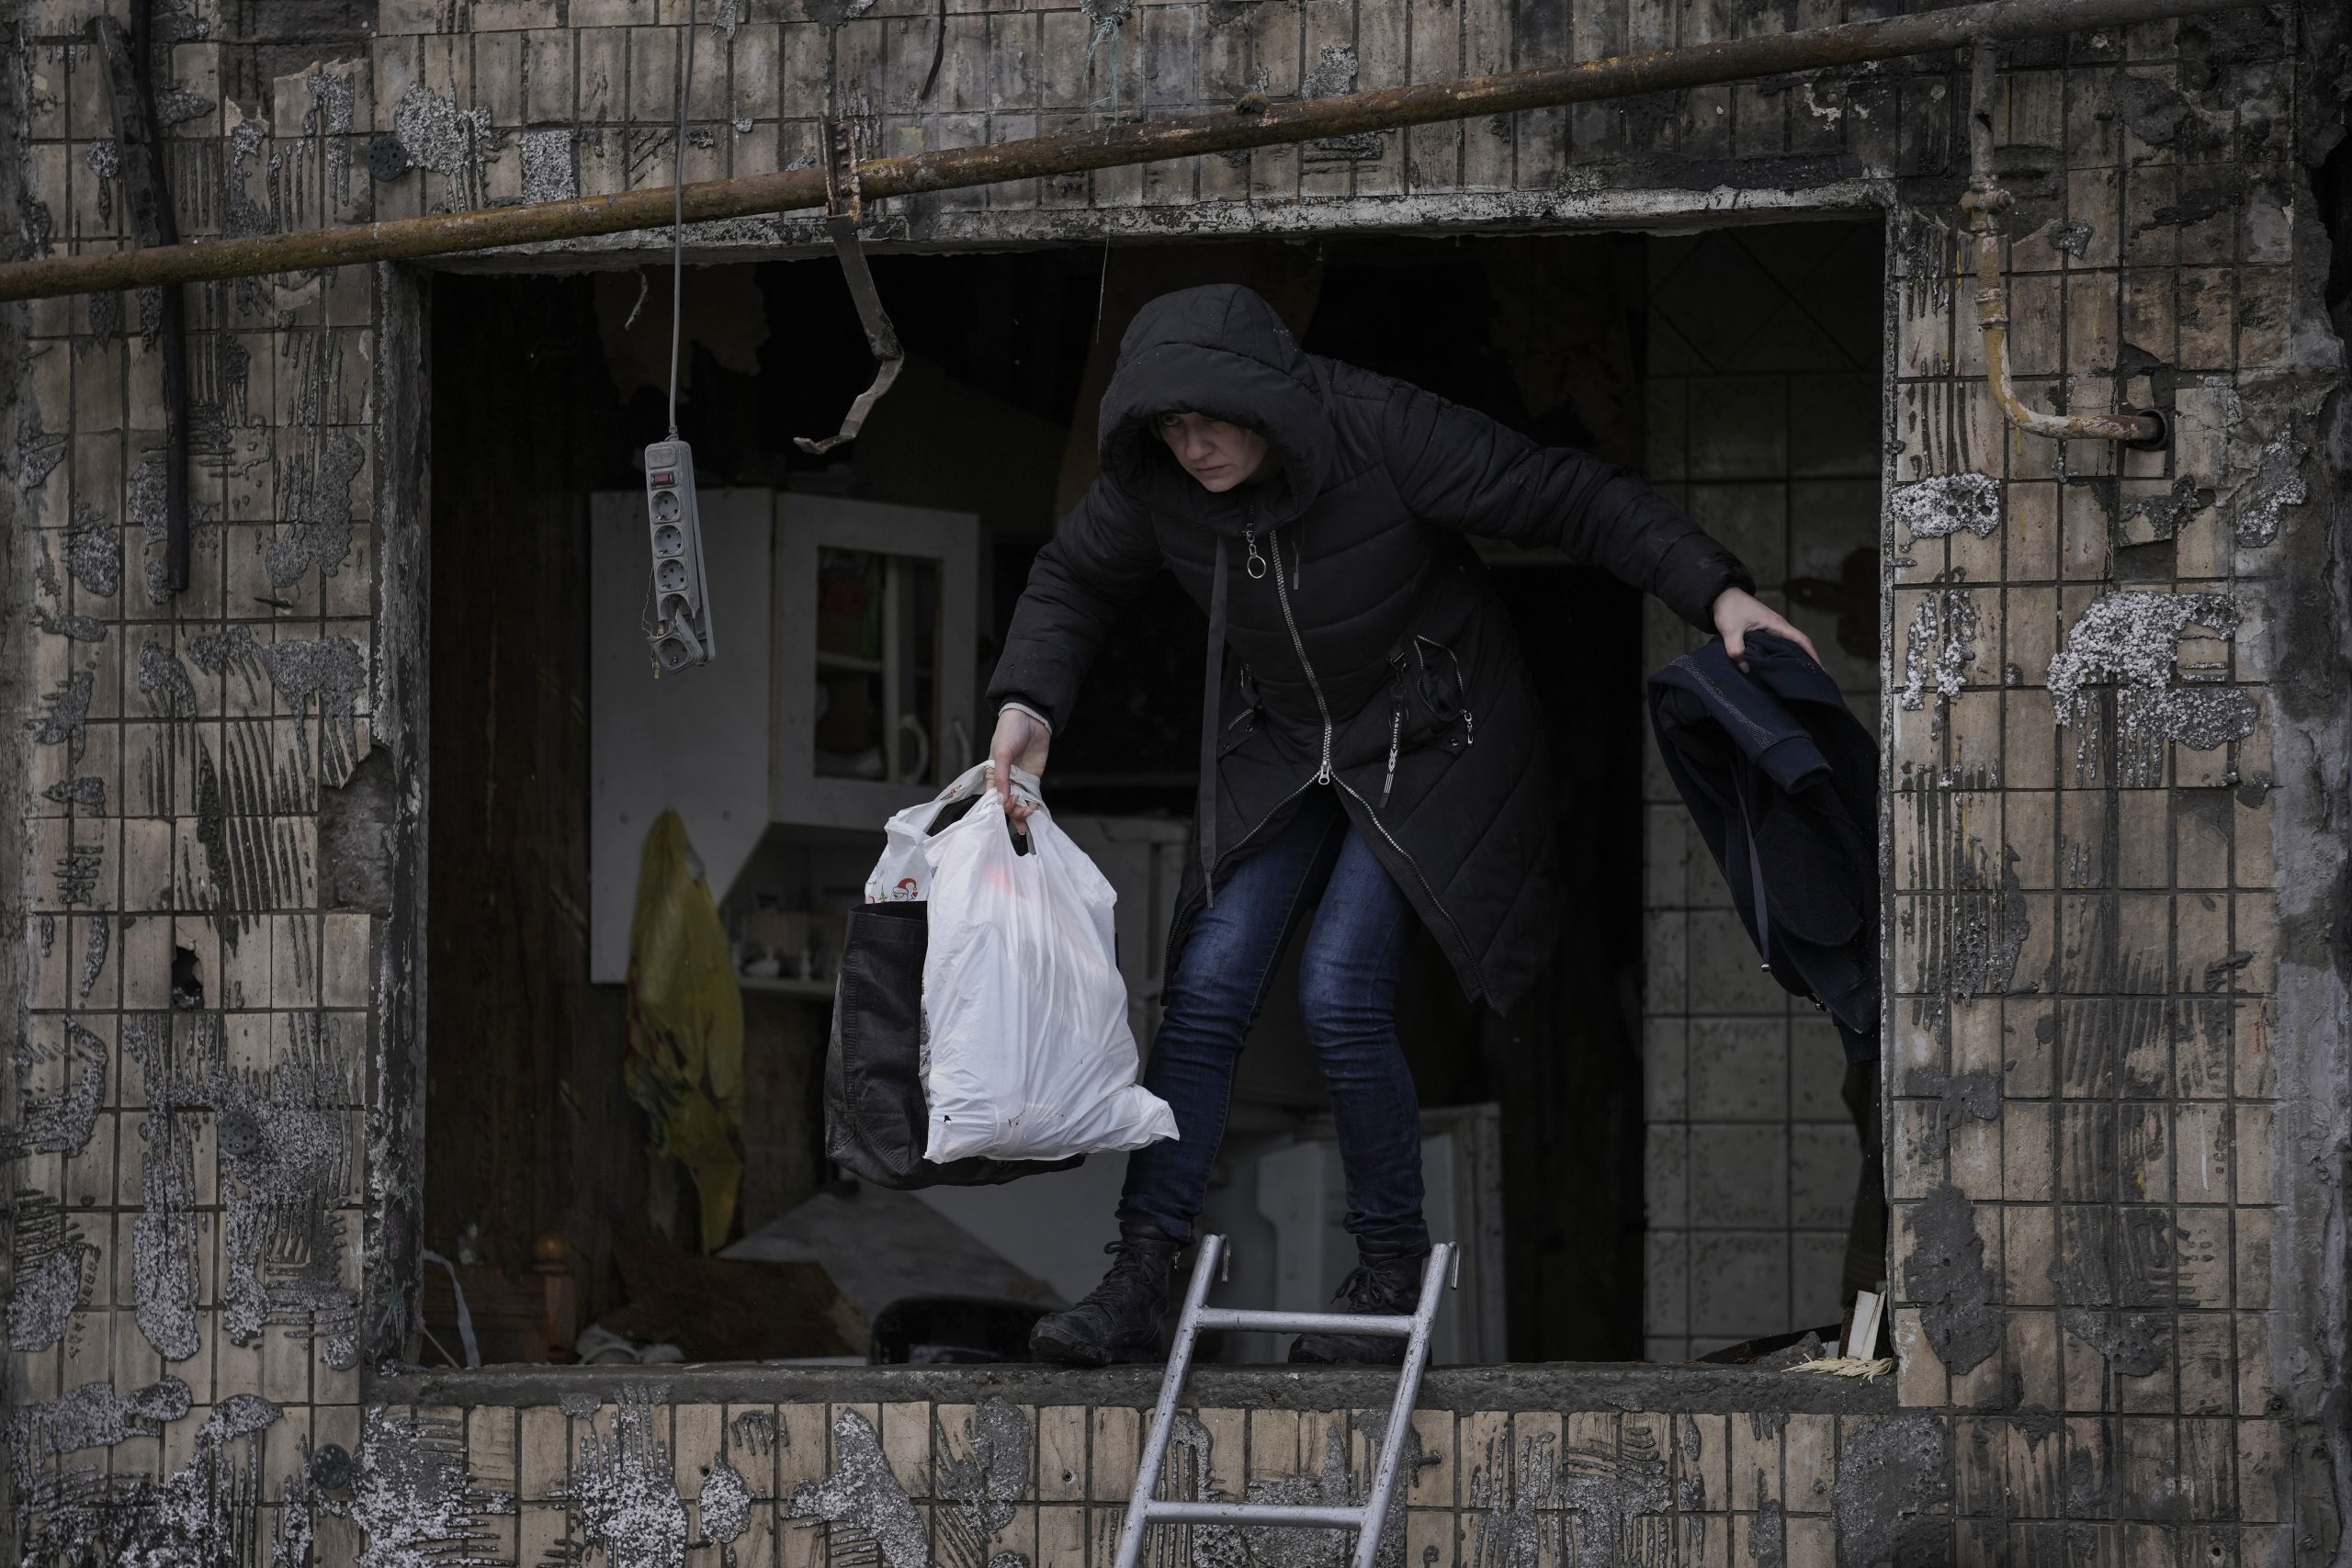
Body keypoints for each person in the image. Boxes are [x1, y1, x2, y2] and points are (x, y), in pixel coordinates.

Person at [987, 283, 1816, 1367]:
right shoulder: (1158, 483)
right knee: (1201, 990)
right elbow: (1071, 577)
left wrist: (1715, 594)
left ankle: (1385, 1278)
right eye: (1170, 429)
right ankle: (1143, 1274)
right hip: (1284, 741)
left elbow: (1562, 492)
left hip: (1431, 737)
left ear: (1265, 403)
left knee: (1337, 991)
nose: (1192, 449)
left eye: (1212, 422)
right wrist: (1026, 704)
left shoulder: (1379, 428)